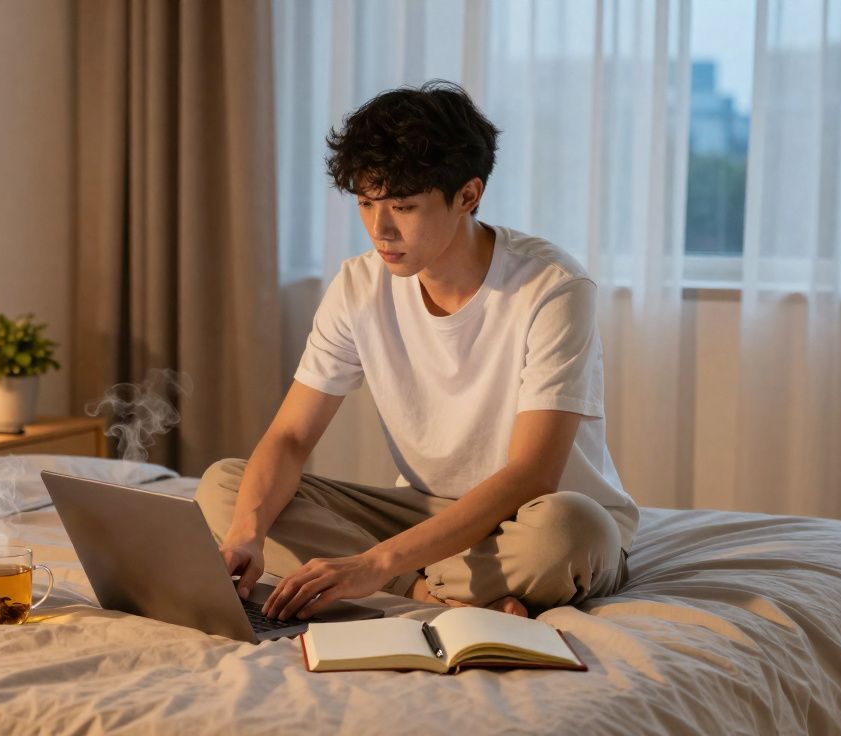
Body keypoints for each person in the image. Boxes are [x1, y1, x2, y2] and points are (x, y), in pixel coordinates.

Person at [195, 80, 638, 622]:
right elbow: (290, 436)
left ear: (468, 196)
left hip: (535, 515)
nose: (380, 230)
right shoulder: (358, 286)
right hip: (424, 513)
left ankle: (407, 584)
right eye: (365, 202)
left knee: (575, 531)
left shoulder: (551, 286)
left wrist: (375, 564)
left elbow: (532, 475)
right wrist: (246, 536)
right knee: (226, 486)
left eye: (403, 206)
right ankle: (434, 593)